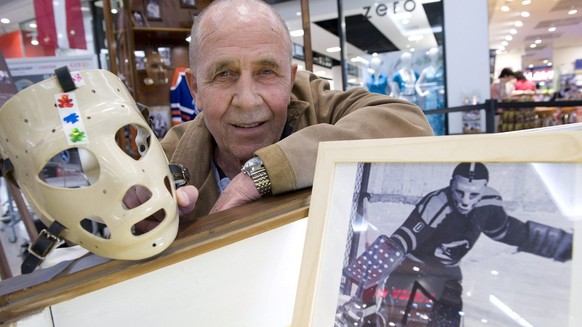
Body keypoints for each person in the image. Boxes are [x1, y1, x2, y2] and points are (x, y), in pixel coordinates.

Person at [127, 0, 434, 231]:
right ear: (195, 89)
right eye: (224, 74)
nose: (247, 100)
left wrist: (260, 175)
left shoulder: (323, 110)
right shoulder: (165, 156)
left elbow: (409, 124)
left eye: (266, 72)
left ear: (290, 79)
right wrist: (136, 220)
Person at [337, 162, 573, 326]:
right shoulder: (436, 204)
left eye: (473, 195)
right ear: (452, 184)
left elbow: (507, 231)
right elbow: (400, 241)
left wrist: (563, 245)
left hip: (449, 275)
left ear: (483, 190)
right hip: (412, 274)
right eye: (460, 192)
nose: (466, 201)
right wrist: (360, 295)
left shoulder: (489, 203)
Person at [415, 47, 446, 135]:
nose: (434, 56)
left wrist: (444, 90)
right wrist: (421, 93)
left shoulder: (442, 69)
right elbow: (418, 84)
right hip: (430, 98)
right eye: (433, 55)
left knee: (441, 119)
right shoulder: (426, 71)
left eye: (436, 54)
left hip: (440, 98)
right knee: (430, 119)